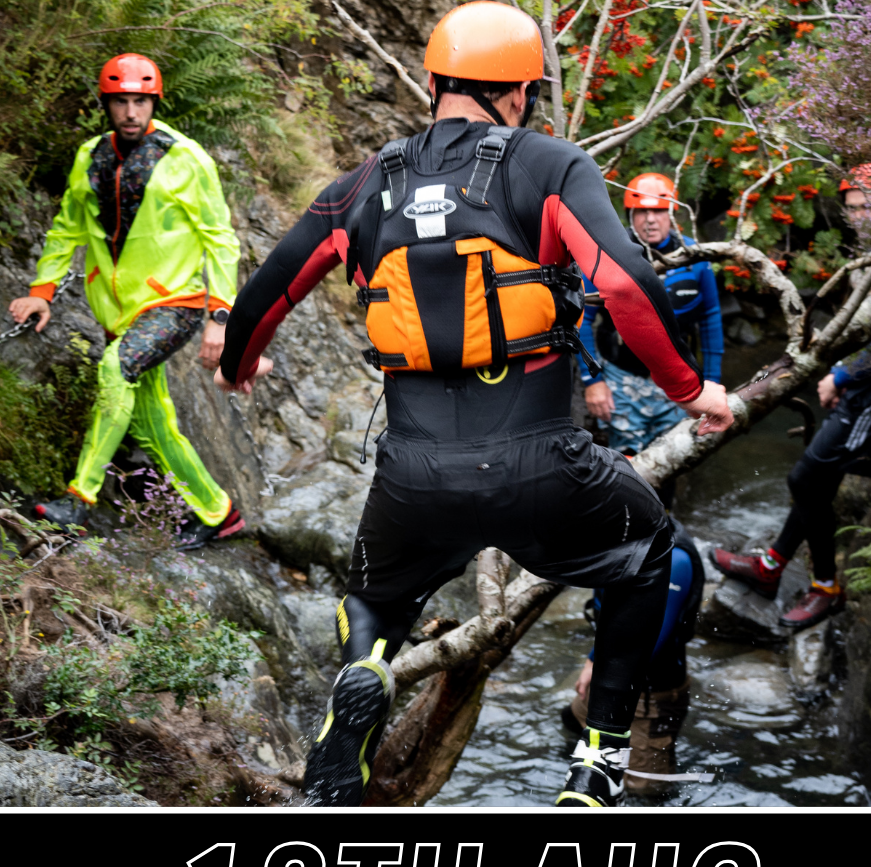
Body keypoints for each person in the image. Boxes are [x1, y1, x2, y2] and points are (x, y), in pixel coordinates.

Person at [215, 1, 733, 807]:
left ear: (431, 82)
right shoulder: (551, 166)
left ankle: (365, 674)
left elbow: (264, 294)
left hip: (415, 478)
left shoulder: (362, 185)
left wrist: (239, 366)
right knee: (654, 558)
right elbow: (627, 281)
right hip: (545, 469)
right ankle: (596, 758)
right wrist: (693, 390)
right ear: (521, 92)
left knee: (373, 597)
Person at [8, 54, 244, 549]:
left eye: (140, 101)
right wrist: (42, 292)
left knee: (116, 370)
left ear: (153, 102)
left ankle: (80, 499)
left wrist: (221, 317)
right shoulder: (90, 155)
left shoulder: (186, 157)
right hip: (119, 311)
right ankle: (219, 512)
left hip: (175, 304)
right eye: (121, 102)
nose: (131, 111)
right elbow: (68, 228)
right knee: (153, 424)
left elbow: (220, 239)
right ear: (107, 105)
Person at [713, 166, 871, 629]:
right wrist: (837, 372)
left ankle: (826, 587)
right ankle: (771, 567)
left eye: (867, 206)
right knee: (815, 481)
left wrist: (843, 375)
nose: (858, 216)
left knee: (805, 481)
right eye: (851, 209)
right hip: (861, 383)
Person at [581, 173, 724, 457]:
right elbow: (581, 320)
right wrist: (592, 382)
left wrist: (712, 382)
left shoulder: (695, 257)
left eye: (658, 211)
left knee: (673, 457)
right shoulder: (605, 254)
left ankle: (667, 503)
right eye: (642, 211)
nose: (650, 219)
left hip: (680, 382)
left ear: (671, 214)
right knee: (627, 464)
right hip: (621, 381)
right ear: (629, 214)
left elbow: (711, 319)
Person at [561, 515, 704, 796]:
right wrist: (593, 661)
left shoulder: (674, 560)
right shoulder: (618, 536)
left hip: (648, 700)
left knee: (644, 793)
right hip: (606, 675)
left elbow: (649, 639)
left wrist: (594, 659)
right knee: (572, 722)